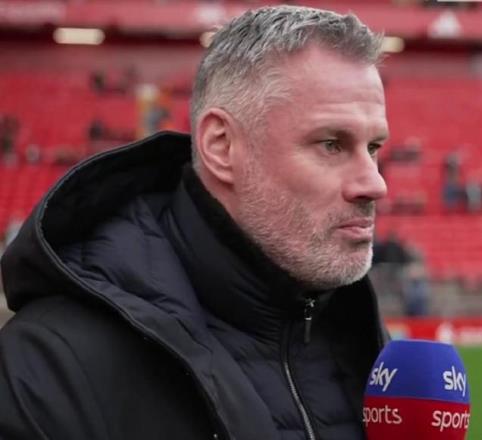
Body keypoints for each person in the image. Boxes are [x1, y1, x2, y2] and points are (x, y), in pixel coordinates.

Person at [0, 6, 390, 440]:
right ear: (221, 146)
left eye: (373, 147)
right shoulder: (51, 369)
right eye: (332, 144)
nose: (375, 183)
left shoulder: (368, 349)